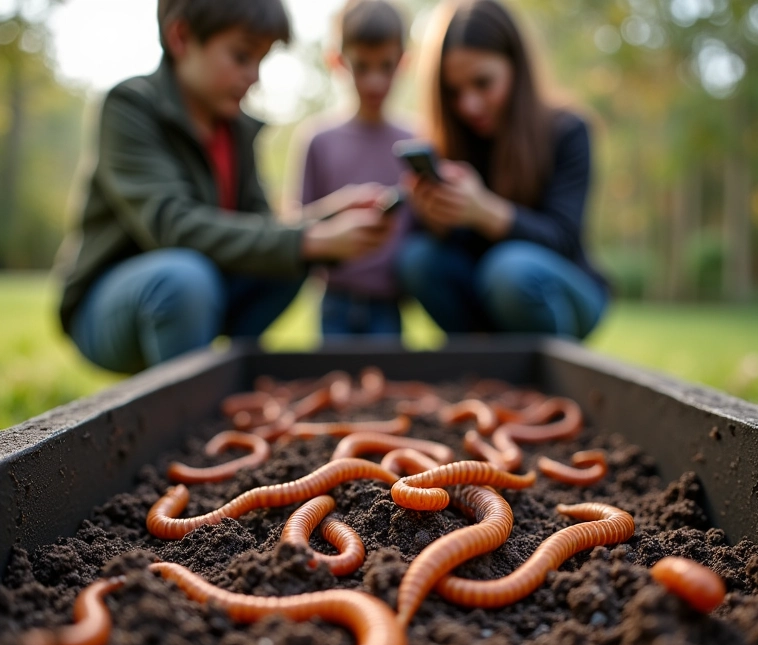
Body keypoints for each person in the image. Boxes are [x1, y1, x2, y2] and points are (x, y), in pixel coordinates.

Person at [56, 0, 392, 374]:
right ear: (181, 37)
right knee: (183, 278)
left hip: (204, 288)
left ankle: (229, 378)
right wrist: (310, 237)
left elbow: (265, 230)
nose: (254, 77)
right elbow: (173, 227)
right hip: (115, 305)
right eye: (241, 57)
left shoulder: (235, 130)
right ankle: (183, 412)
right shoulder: (131, 107)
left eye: (261, 61)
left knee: (290, 258)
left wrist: (328, 217)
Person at [397, 0, 609, 338]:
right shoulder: (450, 141)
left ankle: (552, 371)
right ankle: (480, 364)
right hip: (485, 294)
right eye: (454, 91)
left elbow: (566, 240)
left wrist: (485, 212)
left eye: (483, 83)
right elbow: (430, 258)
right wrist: (437, 220)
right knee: (418, 258)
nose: (469, 104)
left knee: (510, 270)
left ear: (516, 67)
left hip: (563, 287)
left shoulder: (568, 131)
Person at [297, 0, 412, 338]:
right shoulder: (318, 140)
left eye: (385, 66)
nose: (374, 81)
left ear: (403, 62)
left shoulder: (415, 140)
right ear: (337, 61)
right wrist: (336, 214)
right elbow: (294, 224)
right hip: (335, 299)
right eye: (362, 66)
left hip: (388, 302)